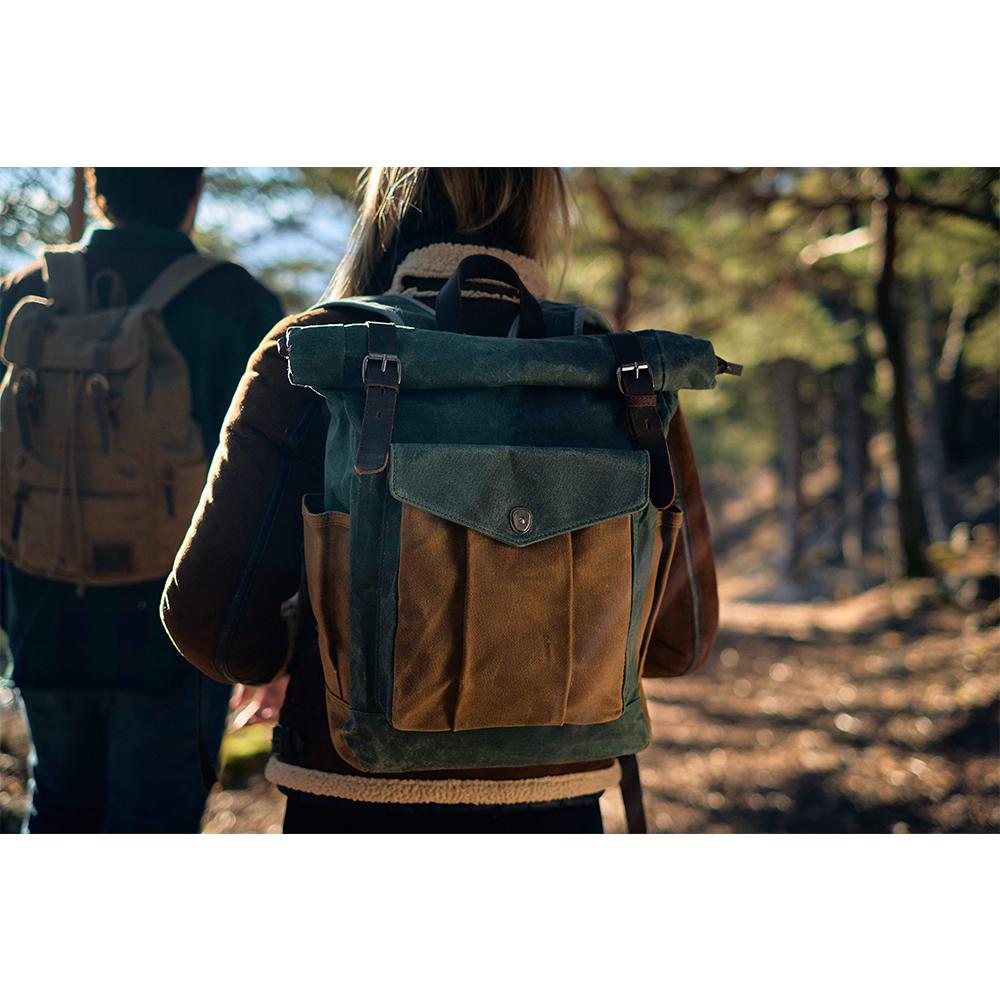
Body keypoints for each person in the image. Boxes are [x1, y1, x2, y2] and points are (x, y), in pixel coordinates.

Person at [161, 168, 719, 834]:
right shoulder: (618, 370)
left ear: (385, 213)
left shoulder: (316, 349)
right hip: (558, 799)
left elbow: (205, 617)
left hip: (353, 792)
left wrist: (306, 643)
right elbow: (677, 644)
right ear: (542, 208)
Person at [0, 167, 284, 833]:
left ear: (98, 188)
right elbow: (266, 493)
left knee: (59, 808)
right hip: (177, 633)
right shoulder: (235, 303)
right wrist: (267, 639)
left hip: (44, 614)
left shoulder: (22, 294)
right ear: (194, 192)